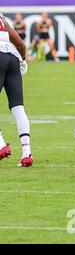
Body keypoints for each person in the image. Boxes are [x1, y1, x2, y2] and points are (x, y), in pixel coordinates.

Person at [0, 14, 33, 167]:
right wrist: (23, 60)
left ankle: (1, 146)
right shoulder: (3, 20)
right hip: (13, 58)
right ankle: (27, 153)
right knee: (18, 107)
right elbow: (20, 44)